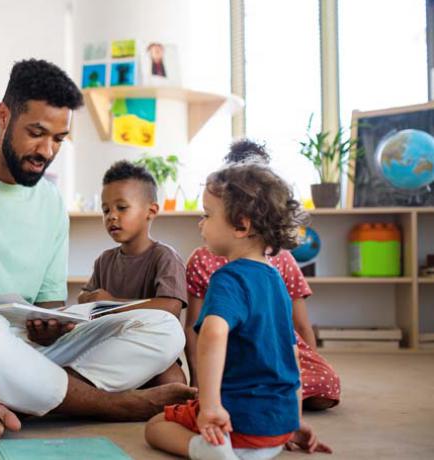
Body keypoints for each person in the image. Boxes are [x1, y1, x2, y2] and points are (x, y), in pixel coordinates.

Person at [0, 58, 193, 440]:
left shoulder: (51, 202)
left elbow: (50, 305)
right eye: (36, 133)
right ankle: (112, 405)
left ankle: (4, 400)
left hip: (26, 352)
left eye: (58, 139)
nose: (47, 150)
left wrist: (52, 327)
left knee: (164, 328)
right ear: (3, 116)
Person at [145, 162, 331, 459]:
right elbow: (292, 355)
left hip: (237, 424)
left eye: (206, 215)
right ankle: (263, 443)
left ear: (241, 225)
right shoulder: (276, 280)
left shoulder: (228, 278)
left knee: (156, 426)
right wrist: (294, 421)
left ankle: (208, 451)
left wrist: (210, 407)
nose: (200, 224)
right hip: (277, 428)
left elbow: (213, 332)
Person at [184, 140, 341, 410]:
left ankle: (260, 394)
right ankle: (265, 396)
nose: (201, 222)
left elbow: (298, 329)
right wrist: (200, 383)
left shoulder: (281, 262)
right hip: (233, 353)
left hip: (272, 349)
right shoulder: (204, 261)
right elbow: (198, 328)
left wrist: (298, 376)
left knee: (327, 386)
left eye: (206, 215)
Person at [79, 160, 188, 385]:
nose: (111, 216)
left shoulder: (165, 256)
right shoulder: (104, 260)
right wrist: (89, 299)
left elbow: (171, 307)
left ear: (151, 211)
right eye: (106, 209)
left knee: (173, 382)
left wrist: (111, 304)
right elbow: (85, 299)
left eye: (121, 207)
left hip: (151, 349)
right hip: (108, 347)